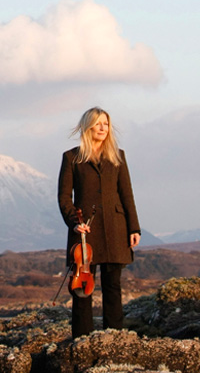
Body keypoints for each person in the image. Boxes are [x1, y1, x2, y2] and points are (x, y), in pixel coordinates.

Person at [57, 107, 140, 337]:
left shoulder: (118, 156)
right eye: (98, 123)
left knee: (113, 286)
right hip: (84, 230)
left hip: (115, 228)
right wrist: (74, 221)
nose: (103, 128)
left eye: (106, 123)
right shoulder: (71, 157)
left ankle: (114, 339)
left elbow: (127, 194)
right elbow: (64, 197)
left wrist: (133, 227)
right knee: (81, 289)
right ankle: (82, 340)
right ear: (87, 126)